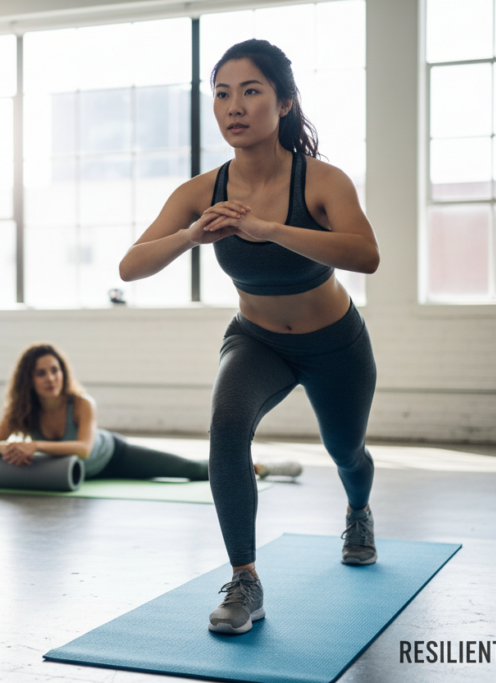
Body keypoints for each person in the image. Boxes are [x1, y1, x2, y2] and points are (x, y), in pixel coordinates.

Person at [118, 39, 380, 635]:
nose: (234, 105)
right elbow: (130, 266)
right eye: (222, 93)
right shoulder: (200, 192)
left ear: (284, 102)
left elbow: (366, 255)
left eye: (251, 91)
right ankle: (245, 581)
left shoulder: (321, 181)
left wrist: (268, 228)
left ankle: (359, 511)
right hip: (257, 340)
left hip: (335, 341)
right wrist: (190, 237)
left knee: (346, 451)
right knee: (227, 423)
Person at [0, 343, 301, 483]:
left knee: (187, 469)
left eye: (55, 370)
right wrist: (8, 447)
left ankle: (260, 468)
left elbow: (83, 448)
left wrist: (33, 447)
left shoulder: (80, 403)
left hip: (113, 456)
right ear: (28, 380)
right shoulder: (23, 411)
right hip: (78, 474)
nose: (51, 378)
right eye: (41, 373)